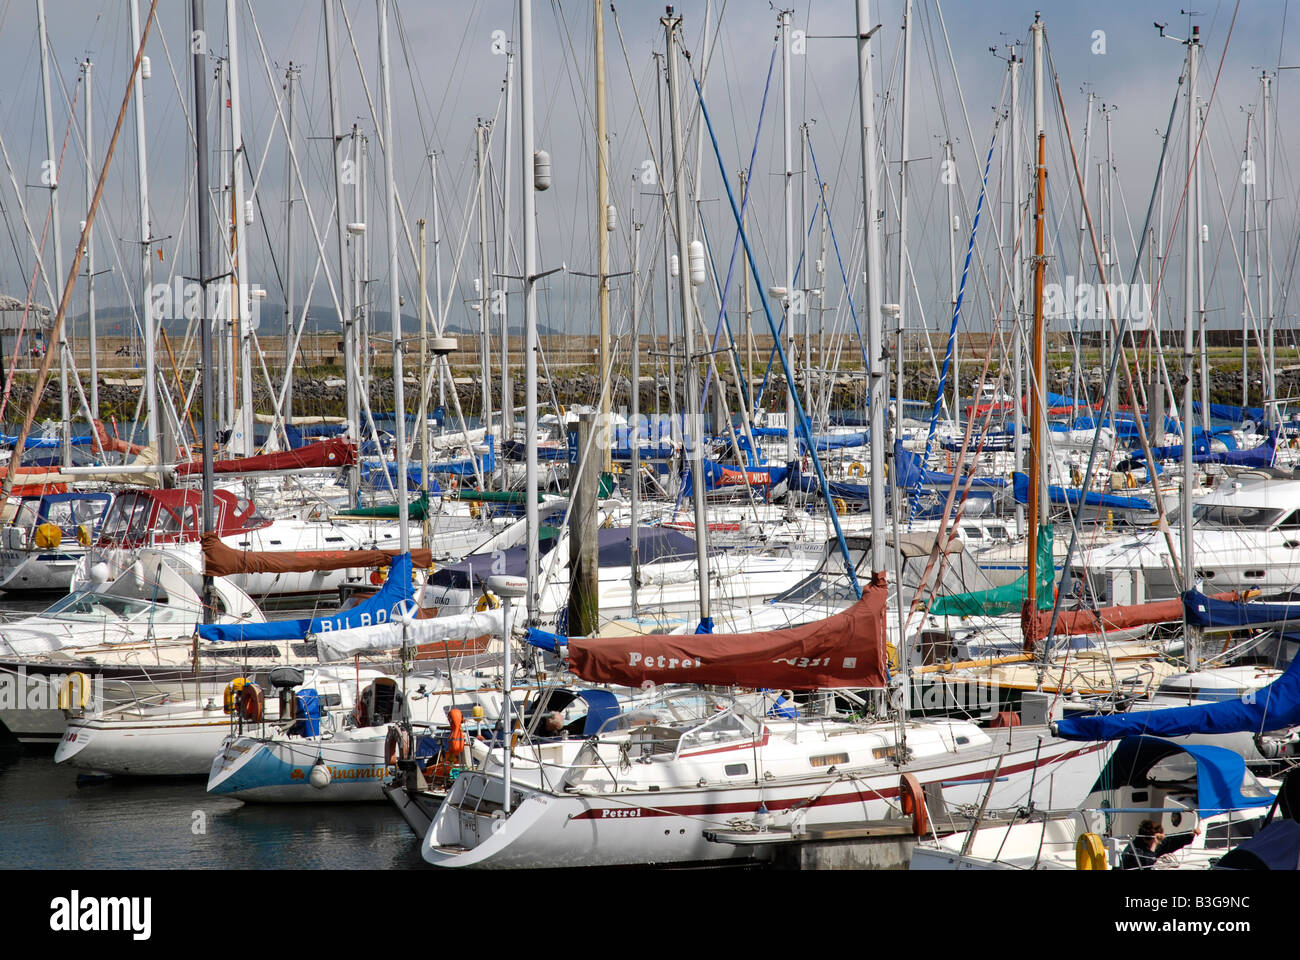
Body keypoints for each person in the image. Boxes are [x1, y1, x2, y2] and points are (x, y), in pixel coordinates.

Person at [1119, 819, 1200, 870]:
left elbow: (1170, 841)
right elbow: (1145, 865)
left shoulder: (1147, 842)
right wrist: (1154, 844)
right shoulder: (1134, 851)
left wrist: (1190, 834)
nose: (1160, 841)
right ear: (1146, 839)